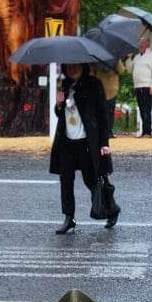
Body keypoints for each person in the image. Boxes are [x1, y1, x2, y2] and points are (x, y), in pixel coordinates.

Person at [50, 63, 117, 233]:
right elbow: (60, 114)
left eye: (76, 66)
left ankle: (111, 209)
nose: (72, 69)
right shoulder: (64, 85)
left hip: (87, 142)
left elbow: (103, 115)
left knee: (91, 179)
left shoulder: (94, 84)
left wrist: (104, 143)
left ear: (83, 67)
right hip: (67, 141)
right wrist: (58, 104)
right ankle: (68, 218)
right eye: (69, 67)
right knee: (66, 180)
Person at [131, 34, 152, 136]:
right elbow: (130, 69)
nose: (140, 44)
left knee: (147, 108)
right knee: (142, 109)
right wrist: (128, 58)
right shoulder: (137, 57)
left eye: (143, 42)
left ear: (147, 44)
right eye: (140, 42)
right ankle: (144, 131)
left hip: (147, 85)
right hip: (137, 86)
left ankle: (148, 132)